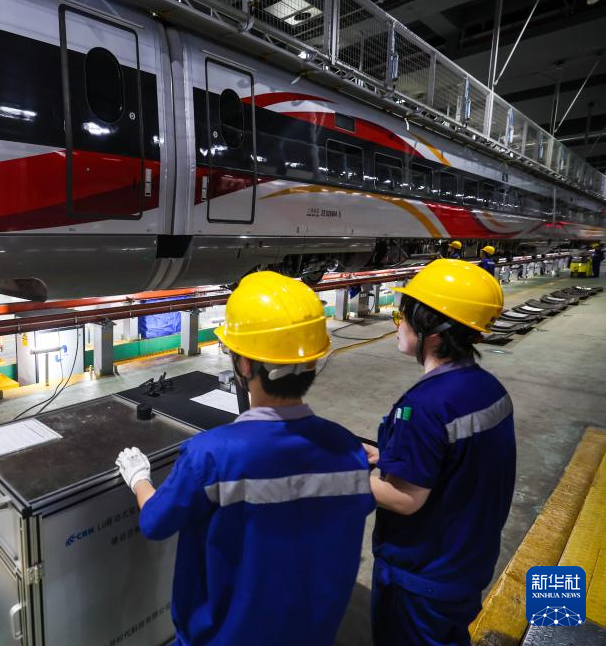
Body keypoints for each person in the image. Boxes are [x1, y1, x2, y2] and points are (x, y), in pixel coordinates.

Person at [115, 272, 375, 645]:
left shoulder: (212, 455)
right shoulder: (347, 449)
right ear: (312, 362)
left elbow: (156, 522)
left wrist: (139, 478)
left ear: (245, 365)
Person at [363, 259, 515, 646]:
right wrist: (385, 455)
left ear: (431, 328)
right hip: (465, 564)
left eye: (402, 316)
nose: (397, 325)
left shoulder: (425, 405)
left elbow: (405, 499)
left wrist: (335, 471)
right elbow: (456, 460)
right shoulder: (487, 387)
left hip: (420, 579)